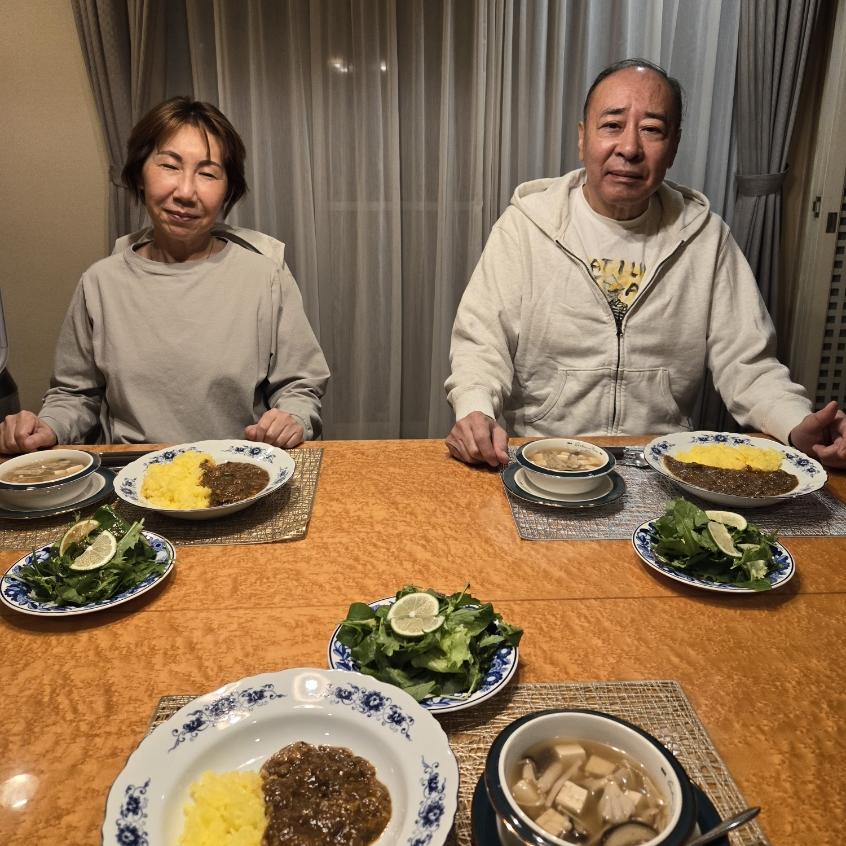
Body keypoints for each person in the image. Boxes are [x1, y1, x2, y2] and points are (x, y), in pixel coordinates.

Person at [444, 59, 846, 469]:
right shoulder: (527, 226)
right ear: (583, 138)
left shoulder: (706, 237)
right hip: (543, 457)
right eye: (612, 125)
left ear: (673, 146)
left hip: (660, 463)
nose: (630, 148)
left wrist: (798, 424)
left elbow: (749, 364)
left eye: (652, 129)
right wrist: (475, 408)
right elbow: (481, 342)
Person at [0, 97, 329, 454]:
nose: (185, 192)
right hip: (133, 474)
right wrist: (47, 426)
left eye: (207, 173)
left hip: (240, 468)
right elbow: (76, 395)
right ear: (139, 175)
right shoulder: (100, 284)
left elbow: (299, 387)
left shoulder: (266, 277)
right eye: (169, 166)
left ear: (228, 191)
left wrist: (291, 418)